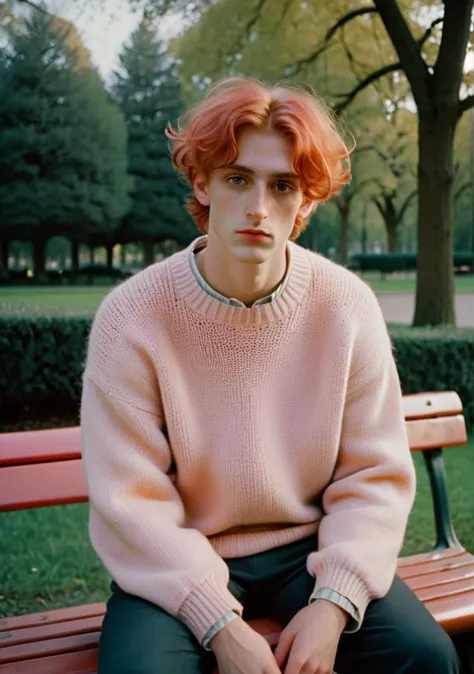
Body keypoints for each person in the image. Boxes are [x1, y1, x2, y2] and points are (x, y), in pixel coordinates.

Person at [80, 77, 460, 674]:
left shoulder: (346, 307)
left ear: (306, 200)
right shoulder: (132, 318)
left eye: (282, 185)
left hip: (308, 550)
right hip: (178, 555)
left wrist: (334, 604)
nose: (258, 207)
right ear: (203, 182)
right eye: (238, 179)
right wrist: (219, 624)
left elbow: (374, 476)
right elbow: (132, 502)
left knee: (425, 658)